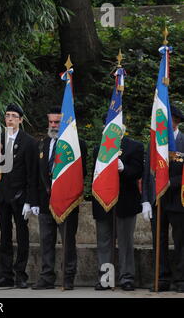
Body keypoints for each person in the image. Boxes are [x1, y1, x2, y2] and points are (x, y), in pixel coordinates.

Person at [32, 107, 87, 290]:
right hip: (45, 202)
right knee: (46, 241)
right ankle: (47, 277)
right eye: (51, 122)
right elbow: (36, 175)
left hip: (67, 201)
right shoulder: (42, 144)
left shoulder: (78, 144)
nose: (54, 125)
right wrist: (34, 202)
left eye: (58, 122)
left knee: (68, 241)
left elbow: (81, 173)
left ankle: (68, 277)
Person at [0, 103, 39, 289]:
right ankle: (6, 275)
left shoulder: (29, 142)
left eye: (13, 116)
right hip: (2, 195)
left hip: (20, 197)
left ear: (20, 119)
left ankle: (21, 274)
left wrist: (30, 200)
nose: (9, 119)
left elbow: (32, 174)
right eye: (7, 115)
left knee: (22, 235)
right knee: (4, 236)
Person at [92, 124, 143, 291]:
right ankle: (106, 278)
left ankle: (126, 278)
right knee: (104, 242)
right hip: (103, 201)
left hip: (125, 202)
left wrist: (124, 168)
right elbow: (96, 175)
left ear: (122, 129)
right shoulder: (99, 148)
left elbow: (138, 171)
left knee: (125, 242)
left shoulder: (134, 146)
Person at [142, 103, 184, 292]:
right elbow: (147, 173)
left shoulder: (183, 141)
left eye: (174, 122)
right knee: (159, 240)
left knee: (180, 241)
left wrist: (168, 183)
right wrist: (145, 200)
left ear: (177, 123)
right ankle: (162, 278)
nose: (171, 125)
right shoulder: (155, 143)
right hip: (158, 200)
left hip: (178, 199)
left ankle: (180, 279)